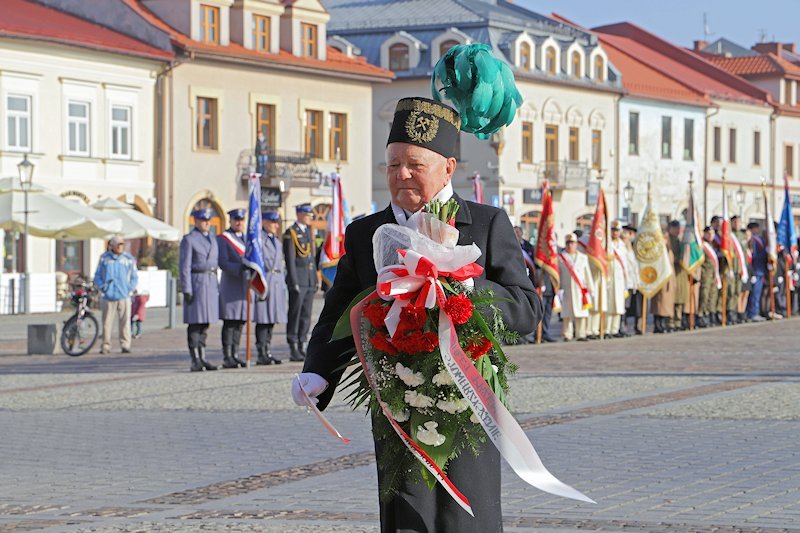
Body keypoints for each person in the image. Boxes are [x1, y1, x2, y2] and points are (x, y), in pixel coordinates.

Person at [292, 96, 541, 532]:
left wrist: (466, 284)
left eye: (414, 164)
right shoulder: (365, 233)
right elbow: (339, 312)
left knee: (468, 517)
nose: (401, 174)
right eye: (392, 165)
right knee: (407, 517)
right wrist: (318, 372)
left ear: (449, 166)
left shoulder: (485, 224)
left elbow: (526, 309)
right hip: (395, 407)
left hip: (467, 407)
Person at [179, 207, 220, 372]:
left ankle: (203, 357)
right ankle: (195, 359)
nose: (207, 223)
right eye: (203, 221)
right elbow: (184, 266)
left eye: (208, 220)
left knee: (205, 324)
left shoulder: (212, 239)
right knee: (195, 324)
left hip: (210, 282)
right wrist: (187, 288)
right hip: (197, 283)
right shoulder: (189, 240)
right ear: (196, 221)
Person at [283, 203, 317, 361]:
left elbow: (311, 258)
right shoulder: (291, 233)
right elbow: (290, 260)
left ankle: (302, 343)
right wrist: (293, 281)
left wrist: (314, 279)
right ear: (299, 215)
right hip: (298, 279)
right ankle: (293, 345)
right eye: (308, 214)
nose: (310, 217)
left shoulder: (308, 232)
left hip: (308, 279)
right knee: (295, 314)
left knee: (306, 314)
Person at [93, 235, 138, 354]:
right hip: (108, 295)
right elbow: (97, 275)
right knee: (107, 323)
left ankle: (125, 344)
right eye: (118, 244)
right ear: (111, 245)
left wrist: (129, 288)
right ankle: (106, 345)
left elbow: (134, 277)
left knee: (125, 322)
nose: (120, 247)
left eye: (122, 244)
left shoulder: (128, 259)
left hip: (123, 294)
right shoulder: (104, 258)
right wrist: (103, 287)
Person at [254, 210, 288, 365]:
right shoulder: (259, 240)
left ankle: (267, 350)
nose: (276, 225)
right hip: (265, 279)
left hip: (276, 281)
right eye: (272, 222)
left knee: (272, 319)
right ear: (264, 223)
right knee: (263, 319)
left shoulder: (276, 241)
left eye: (277, 222)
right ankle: (261, 352)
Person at [217, 208, 250, 369]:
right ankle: (227, 356)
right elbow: (223, 262)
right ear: (230, 221)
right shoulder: (223, 239)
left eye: (241, 220)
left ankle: (235, 354)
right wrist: (240, 268)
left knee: (239, 323)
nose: (239, 222)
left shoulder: (246, 239)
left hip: (244, 285)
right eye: (236, 220)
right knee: (230, 322)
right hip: (231, 284)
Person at [558, 232, 591, 342]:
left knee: (581, 312)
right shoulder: (561, 258)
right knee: (567, 313)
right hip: (566, 289)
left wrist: (591, 289)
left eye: (572, 243)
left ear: (576, 244)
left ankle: (581, 333)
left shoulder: (583, 257)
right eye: (568, 243)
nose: (570, 245)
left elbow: (587, 274)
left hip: (580, 289)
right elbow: (559, 274)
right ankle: (567, 334)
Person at [606, 220, 628, 337]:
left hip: (619, 278)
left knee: (618, 304)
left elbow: (625, 263)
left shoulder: (622, 245)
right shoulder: (607, 244)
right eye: (613, 230)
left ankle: (615, 329)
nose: (615, 233)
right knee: (609, 303)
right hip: (610, 277)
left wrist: (626, 280)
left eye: (617, 231)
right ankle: (607, 329)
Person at [651, 231, 676, 333]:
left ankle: (664, 322)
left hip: (669, 279)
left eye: (665, 238)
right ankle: (658, 324)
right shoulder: (657, 251)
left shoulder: (669, 250)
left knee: (667, 304)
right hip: (660, 279)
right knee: (659, 303)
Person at [667, 220, 688, 331]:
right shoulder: (668, 241)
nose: (677, 230)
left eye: (678, 228)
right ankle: (671, 321)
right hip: (672, 271)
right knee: (672, 298)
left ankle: (678, 320)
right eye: (675, 228)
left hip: (680, 272)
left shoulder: (679, 241)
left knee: (680, 298)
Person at [697, 226, 720, 328]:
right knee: (704, 295)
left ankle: (710, 314)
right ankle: (701, 314)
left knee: (712, 295)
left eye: (713, 233)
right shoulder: (702, 245)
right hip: (706, 273)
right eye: (709, 233)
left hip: (714, 274)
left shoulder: (714, 245)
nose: (711, 236)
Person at [621, 225, 642, 334]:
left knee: (635, 305)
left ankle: (636, 325)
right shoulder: (620, 249)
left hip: (633, 282)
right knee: (624, 305)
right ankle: (622, 325)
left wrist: (637, 281)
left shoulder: (633, 249)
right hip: (625, 282)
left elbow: (635, 267)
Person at [726, 215, 744, 324]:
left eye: (739, 222)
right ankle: (729, 312)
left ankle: (735, 311)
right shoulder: (728, 236)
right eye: (735, 222)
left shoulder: (742, 236)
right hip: (731, 268)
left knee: (738, 291)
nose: (738, 224)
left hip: (740, 268)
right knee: (730, 291)